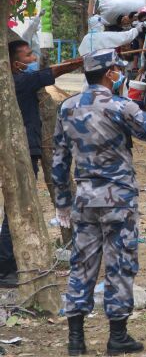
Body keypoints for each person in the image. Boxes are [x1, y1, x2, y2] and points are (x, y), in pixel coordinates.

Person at [51, 49, 146, 356]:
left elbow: (60, 160)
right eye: (116, 69)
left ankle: (75, 340)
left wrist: (63, 204)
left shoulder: (67, 108)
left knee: (82, 265)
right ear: (110, 74)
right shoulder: (120, 106)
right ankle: (117, 336)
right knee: (120, 265)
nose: (119, 73)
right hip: (118, 200)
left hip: (85, 199)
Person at [1, 41, 82, 287]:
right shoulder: (20, 81)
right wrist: (81, 62)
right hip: (23, 149)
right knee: (18, 205)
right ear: (15, 63)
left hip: (25, 147)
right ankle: (5, 266)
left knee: (18, 205)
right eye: (28, 55)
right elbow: (53, 72)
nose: (33, 57)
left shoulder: (16, 81)